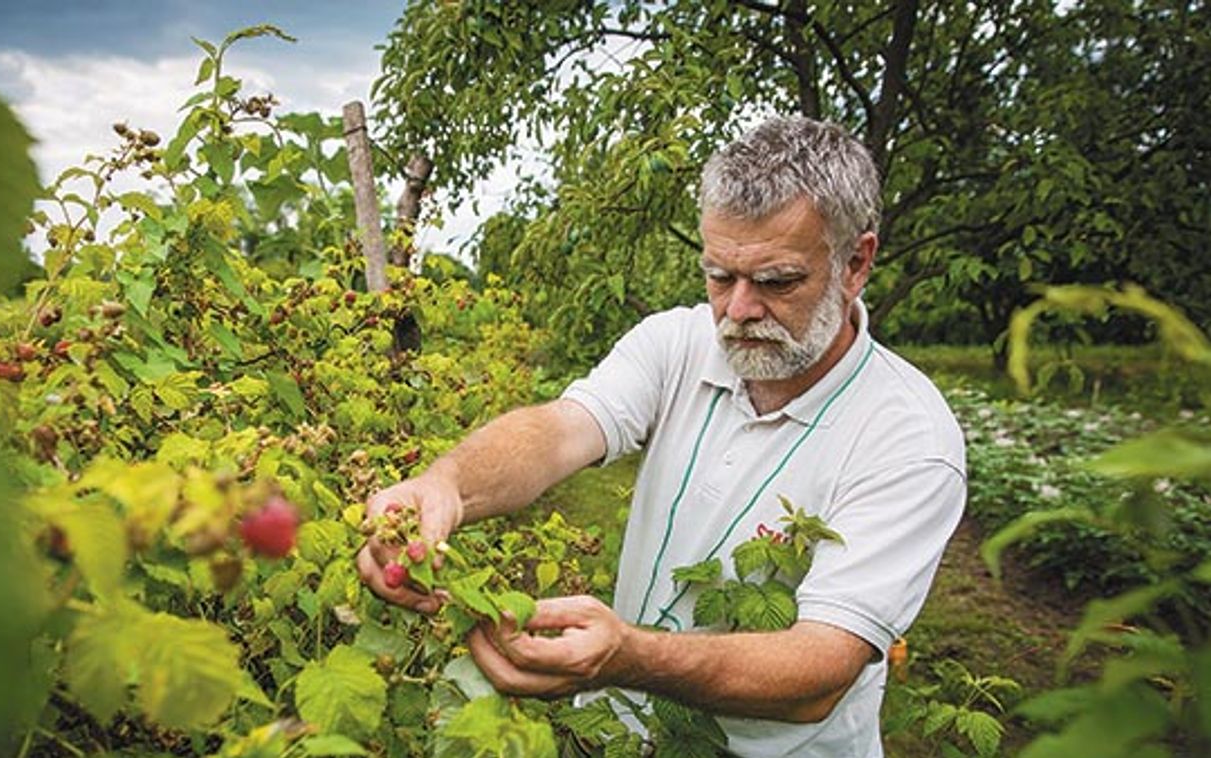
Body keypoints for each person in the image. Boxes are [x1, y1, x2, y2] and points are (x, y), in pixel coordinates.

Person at [357, 115, 966, 756]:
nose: (738, 311)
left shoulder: (908, 439)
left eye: (777, 281)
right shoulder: (675, 342)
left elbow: (819, 669)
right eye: (719, 276)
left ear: (856, 263)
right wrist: (446, 484)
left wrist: (629, 656)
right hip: (617, 738)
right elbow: (559, 430)